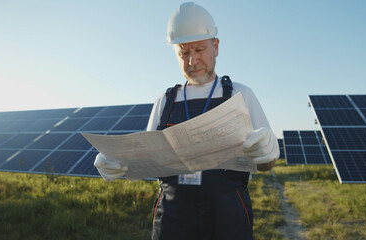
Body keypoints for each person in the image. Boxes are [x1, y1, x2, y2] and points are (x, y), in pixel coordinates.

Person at [94, 2, 280, 239]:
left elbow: (266, 163)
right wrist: (116, 161)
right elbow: (145, 158)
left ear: (216, 46)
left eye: (199, 50)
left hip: (228, 216)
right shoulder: (165, 100)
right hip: (173, 218)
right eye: (184, 52)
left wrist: (268, 154)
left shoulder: (240, 95)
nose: (192, 61)